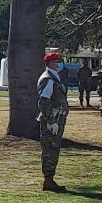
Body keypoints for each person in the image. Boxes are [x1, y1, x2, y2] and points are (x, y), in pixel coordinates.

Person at [38, 50, 69, 191]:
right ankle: (48, 180)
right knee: (50, 149)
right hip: (52, 119)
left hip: (57, 118)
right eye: (57, 62)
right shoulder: (48, 78)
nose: (59, 64)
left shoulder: (54, 77)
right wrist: (51, 121)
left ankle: (50, 179)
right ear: (50, 63)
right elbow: (44, 101)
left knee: (54, 148)